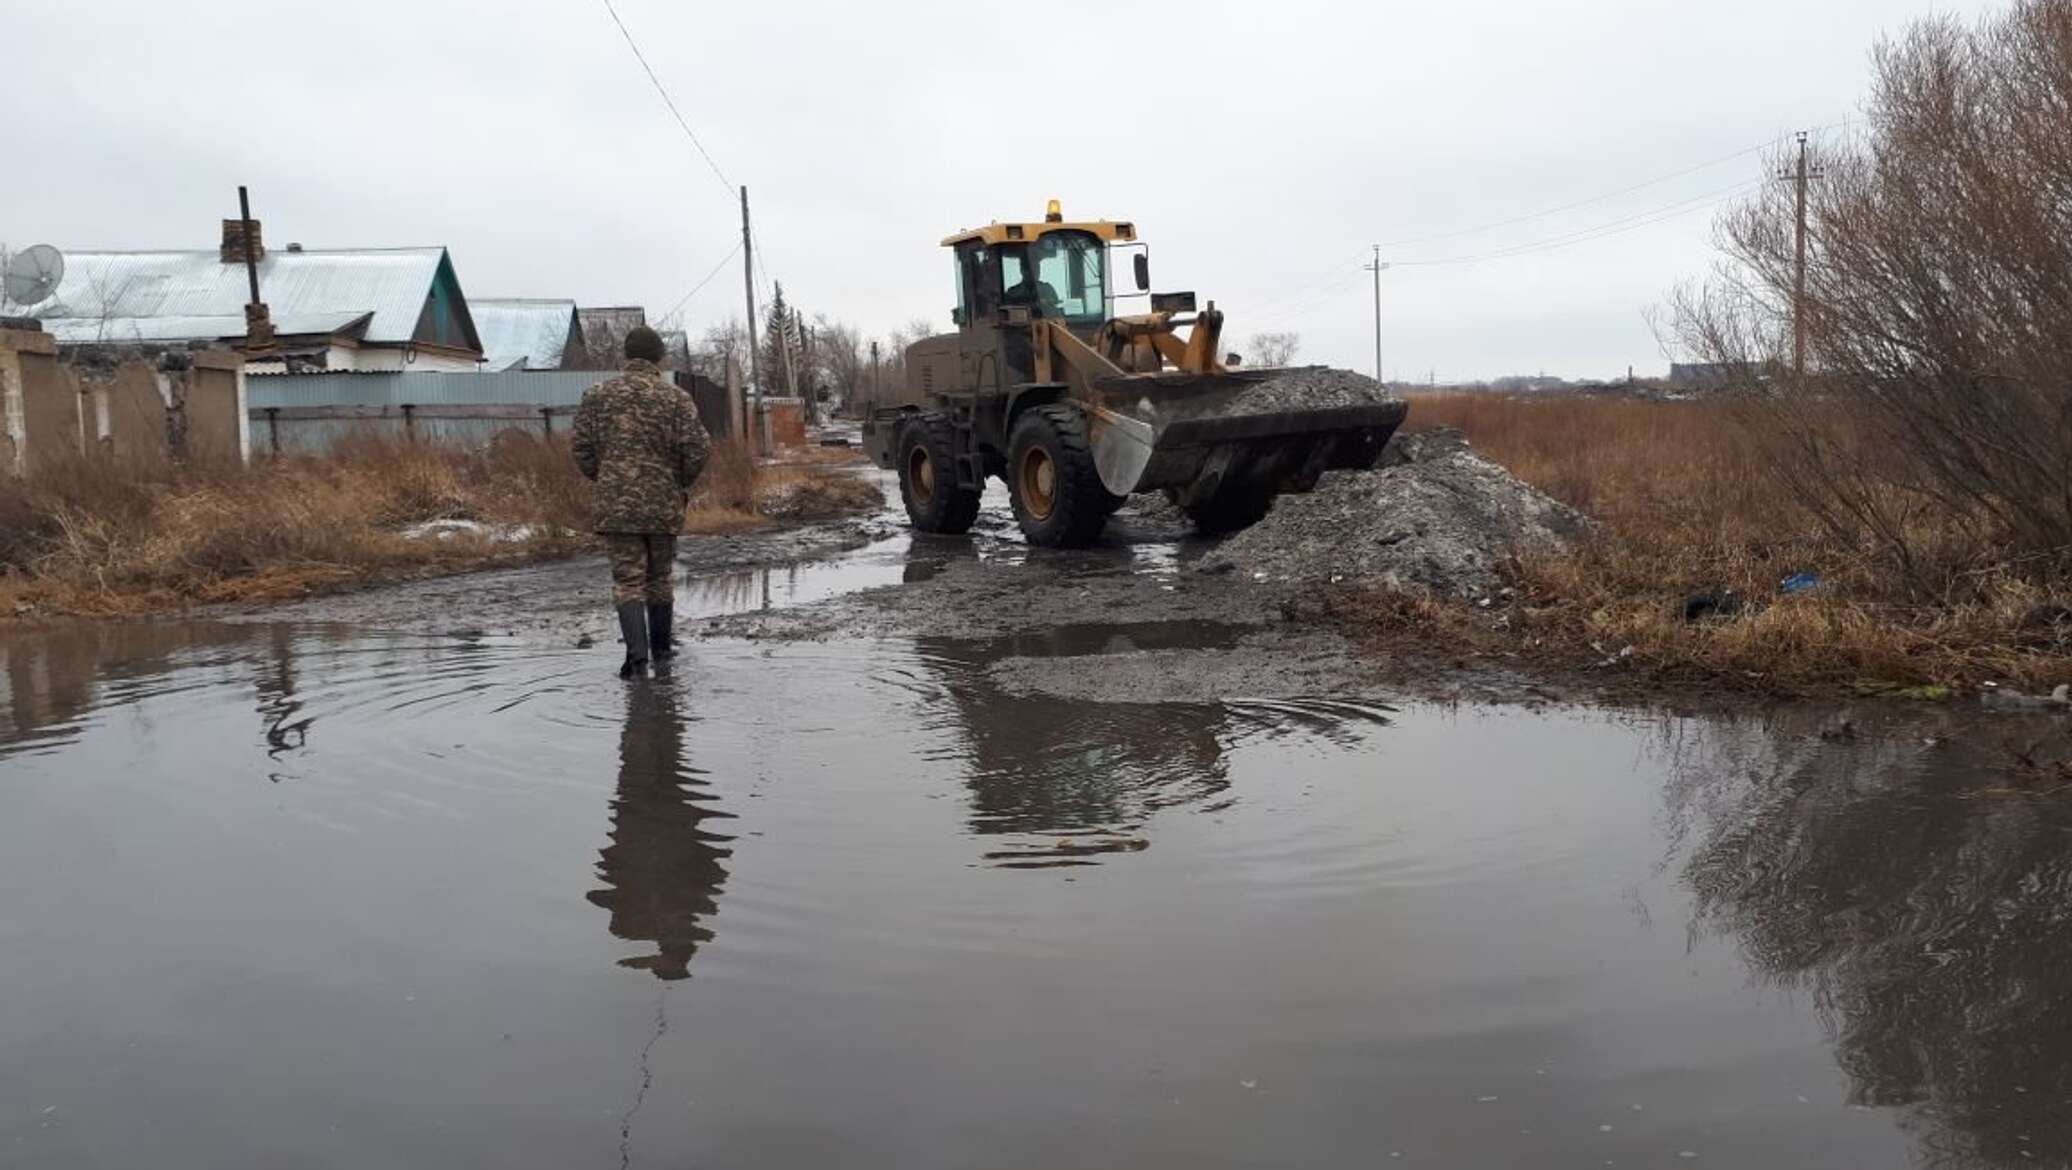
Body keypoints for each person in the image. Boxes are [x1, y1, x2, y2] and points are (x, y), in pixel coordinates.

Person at [572, 325, 711, 678]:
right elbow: (697, 449)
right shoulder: (675, 398)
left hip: (616, 506)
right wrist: (677, 482)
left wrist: (607, 481)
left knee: (628, 580)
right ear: (659, 357)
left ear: (626, 356)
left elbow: (582, 450)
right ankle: (662, 653)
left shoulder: (597, 396)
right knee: (660, 577)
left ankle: (636, 659)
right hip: (663, 503)